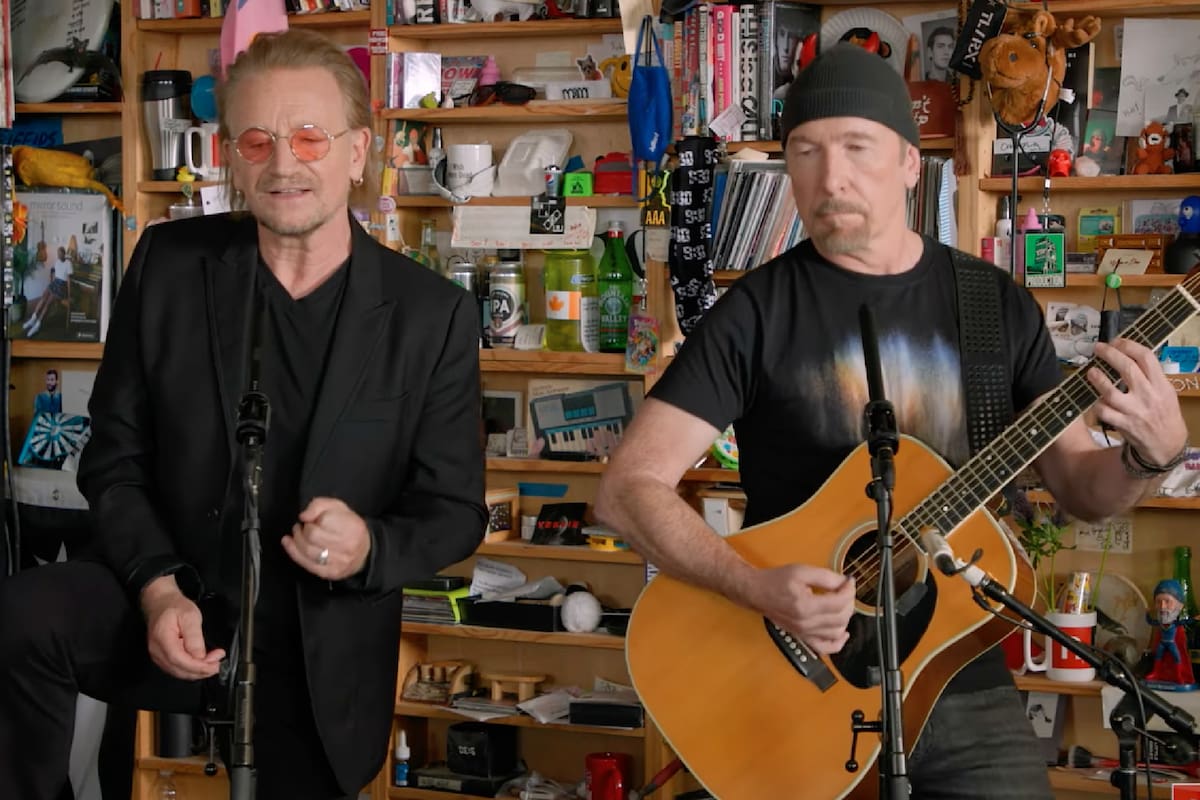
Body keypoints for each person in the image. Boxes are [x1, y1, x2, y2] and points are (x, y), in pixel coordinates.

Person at [595, 44, 1188, 799]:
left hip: (959, 673)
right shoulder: (753, 313)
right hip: (787, 679)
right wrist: (754, 587)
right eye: (804, 153)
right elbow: (628, 490)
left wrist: (1150, 457)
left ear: (911, 164)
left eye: (856, 148)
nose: (828, 177)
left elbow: (1080, 484)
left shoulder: (991, 303)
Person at [0, 28, 486, 800]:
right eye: (257, 141)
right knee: (24, 615)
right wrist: (159, 586)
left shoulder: (433, 317)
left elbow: (455, 512)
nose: (284, 164)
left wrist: (369, 545)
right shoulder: (167, 264)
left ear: (359, 152)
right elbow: (113, 461)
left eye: (308, 138)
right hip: (167, 596)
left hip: (314, 640)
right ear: (229, 153)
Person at [1144, 579, 1196, 687]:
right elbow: (1150, 621)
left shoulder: (1176, 624)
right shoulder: (1159, 623)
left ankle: (1179, 675)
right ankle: (1156, 673)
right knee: (1158, 656)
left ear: (1179, 606)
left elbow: (1186, 621)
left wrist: (1195, 619)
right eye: (1159, 602)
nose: (1163, 607)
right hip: (1163, 643)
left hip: (1171, 643)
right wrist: (1147, 614)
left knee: (1177, 657)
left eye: (1167, 601)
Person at [23, 245, 73, 337]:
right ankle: (33, 319)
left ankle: (38, 325)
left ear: (64, 254)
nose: (58, 255)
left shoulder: (68, 263)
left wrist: (69, 294)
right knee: (43, 298)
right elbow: (53, 271)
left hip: (62, 285)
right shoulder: (57, 261)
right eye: (58, 254)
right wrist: (51, 280)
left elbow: (69, 280)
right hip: (55, 282)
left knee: (48, 303)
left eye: (60, 254)